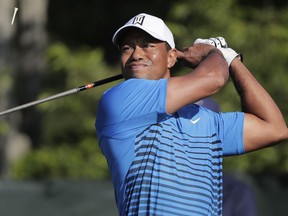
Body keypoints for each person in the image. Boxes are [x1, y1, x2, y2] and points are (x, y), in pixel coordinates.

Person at [95, 13, 288, 215]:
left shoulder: (205, 119)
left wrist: (232, 60)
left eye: (148, 45)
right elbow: (214, 78)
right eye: (127, 48)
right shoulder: (119, 100)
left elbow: (275, 128)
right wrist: (214, 53)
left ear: (171, 58)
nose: (136, 54)